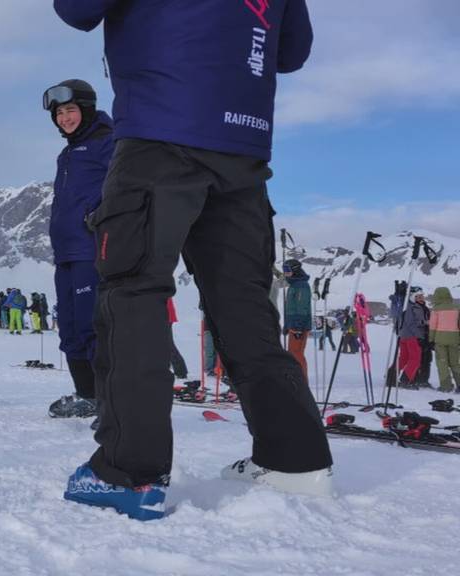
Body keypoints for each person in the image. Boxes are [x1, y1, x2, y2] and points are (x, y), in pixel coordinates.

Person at [55, 0, 331, 521]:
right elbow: (292, 52)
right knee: (245, 305)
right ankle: (295, 460)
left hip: (160, 132)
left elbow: (75, 9)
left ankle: (128, 472)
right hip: (243, 148)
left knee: (132, 294)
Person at [42, 79, 113, 419]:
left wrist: (100, 214)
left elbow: (126, 186)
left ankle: (110, 399)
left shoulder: (107, 142)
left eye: (70, 110)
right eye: (59, 113)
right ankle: (87, 394)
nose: (65, 118)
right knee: (69, 327)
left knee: (91, 326)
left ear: (85, 109)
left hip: (92, 249)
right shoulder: (67, 153)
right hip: (66, 253)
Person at [283, 259, 312, 381]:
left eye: (287, 270)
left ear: (295, 270)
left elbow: (302, 307)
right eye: (284, 270)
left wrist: (298, 327)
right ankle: (296, 380)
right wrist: (287, 325)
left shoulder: (301, 286)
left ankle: (302, 382)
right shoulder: (294, 284)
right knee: (292, 354)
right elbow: (292, 308)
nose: (285, 273)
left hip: (298, 327)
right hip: (293, 326)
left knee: (296, 354)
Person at [429, 287, 460, 393]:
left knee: (442, 363)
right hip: (454, 339)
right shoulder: (457, 307)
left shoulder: (436, 309)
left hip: (440, 339)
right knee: (455, 363)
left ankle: (446, 386)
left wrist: (431, 339)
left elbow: (433, 326)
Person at [397, 288, 429, 389]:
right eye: (418, 296)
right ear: (412, 297)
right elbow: (412, 323)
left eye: (422, 296)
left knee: (404, 359)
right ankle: (405, 380)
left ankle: (391, 377)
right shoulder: (412, 307)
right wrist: (425, 324)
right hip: (412, 337)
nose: (421, 298)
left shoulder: (410, 306)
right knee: (415, 359)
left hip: (405, 336)